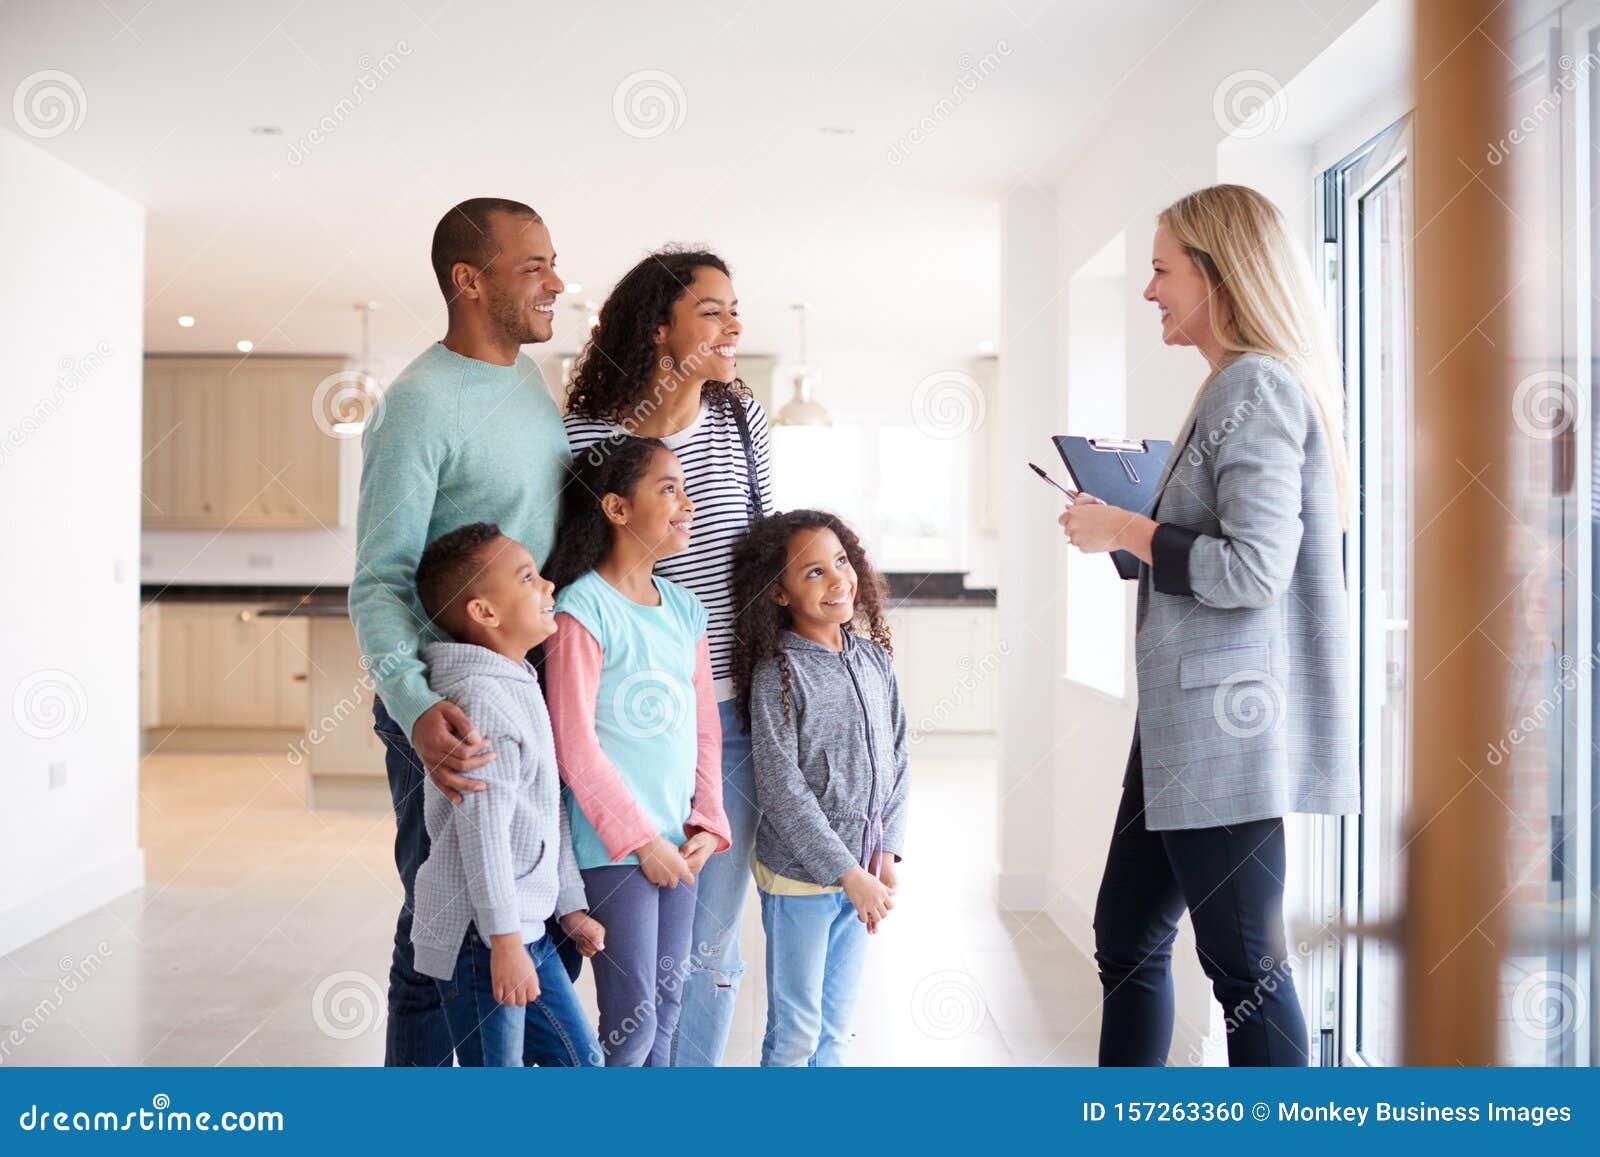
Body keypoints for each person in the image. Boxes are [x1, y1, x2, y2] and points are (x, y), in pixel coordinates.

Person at [1058, 184, 1357, 1067]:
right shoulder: (1232, 385)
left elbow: (1252, 569)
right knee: (1127, 934)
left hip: (1226, 728)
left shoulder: (1256, 385)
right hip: (1183, 730)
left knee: (1244, 967)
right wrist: (1135, 530)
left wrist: (1126, 528)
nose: (1149, 290)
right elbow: (1213, 548)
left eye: (1161, 269)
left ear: (1219, 275)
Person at [349, 197, 569, 1066]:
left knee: (488, 905)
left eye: (555, 261)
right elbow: (380, 578)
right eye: (534, 266)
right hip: (453, 707)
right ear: (468, 280)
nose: (555, 282)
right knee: (442, 919)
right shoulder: (417, 404)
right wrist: (414, 706)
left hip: (523, 684)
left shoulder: (525, 379)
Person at [562, 247, 772, 1066]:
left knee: (709, 949)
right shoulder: (586, 437)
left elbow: (761, 549)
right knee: (631, 967)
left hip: (729, 708)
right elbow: (577, 564)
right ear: (659, 329)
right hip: (626, 723)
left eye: (734, 309)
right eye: (712, 311)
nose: (733, 326)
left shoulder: (740, 421)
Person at [542, 436, 732, 1066]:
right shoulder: (581, 609)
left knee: (669, 1013)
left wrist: (708, 822)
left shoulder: (686, 608)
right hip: (616, 849)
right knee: (634, 1022)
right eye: (669, 488)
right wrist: (640, 841)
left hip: (681, 844)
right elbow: (573, 745)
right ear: (618, 509)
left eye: (685, 488)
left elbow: (706, 730)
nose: (688, 502)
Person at [407, 522, 604, 1067]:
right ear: (485, 613)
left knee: (580, 1062)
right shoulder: (482, 699)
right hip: (484, 936)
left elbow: (546, 809)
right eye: (527, 578)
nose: (547, 586)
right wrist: (505, 942)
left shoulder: (516, 680)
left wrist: (569, 906)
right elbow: (483, 835)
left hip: (524, 928)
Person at [731, 509, 909, 1067]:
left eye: (841, 561)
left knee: (836, 1032)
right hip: (801, 882)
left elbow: (899, 756)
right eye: (813, 573)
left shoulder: (874, 660)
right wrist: (848, 873)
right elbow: (783, 791)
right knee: (797, 1034)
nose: (837, 579)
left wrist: (886, 851)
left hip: (862, 874)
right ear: (779, 594)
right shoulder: (778, 673)